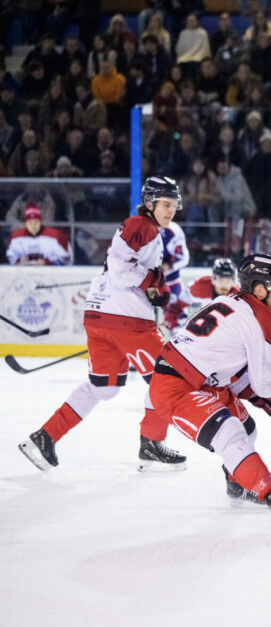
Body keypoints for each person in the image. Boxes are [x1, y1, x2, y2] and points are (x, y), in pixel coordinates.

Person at [18, 177, 188, 473]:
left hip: (101, 316)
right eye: (166, 205)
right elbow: (122, 268)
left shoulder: (145, 228)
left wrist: (154, 287)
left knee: (104, 387)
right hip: (126, 320)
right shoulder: (142, 225)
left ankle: (44, 437)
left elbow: (123, 268)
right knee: (167, 374)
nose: (171, 211)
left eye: (174, 206)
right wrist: (153, 282)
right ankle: (151, 443)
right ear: (150, 203)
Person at [149, 253, 271, 533]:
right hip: (176, 387)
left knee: (246, 429)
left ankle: (236, 483)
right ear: (260, 289)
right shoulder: (262, 317)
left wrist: (261, 401)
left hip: (203, 379)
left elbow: (229, 369)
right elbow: (266, 383)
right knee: (231, 432)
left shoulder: (228, 302)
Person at [5, 204, 70, 265]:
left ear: (40, 222)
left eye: (36, 223)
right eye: (30, 223)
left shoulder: (55, 236)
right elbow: (10, 256)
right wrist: (19, 261)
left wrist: (47, 262)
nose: (33, 226)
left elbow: (65, 258)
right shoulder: (16, 237)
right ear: (25, 224)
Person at [159, 216, 190, 335]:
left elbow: (184, 258)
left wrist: (169, 265)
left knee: (177, 323)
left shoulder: (172, 230)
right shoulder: (140, 228)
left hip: (170, 284)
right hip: (145, 283)